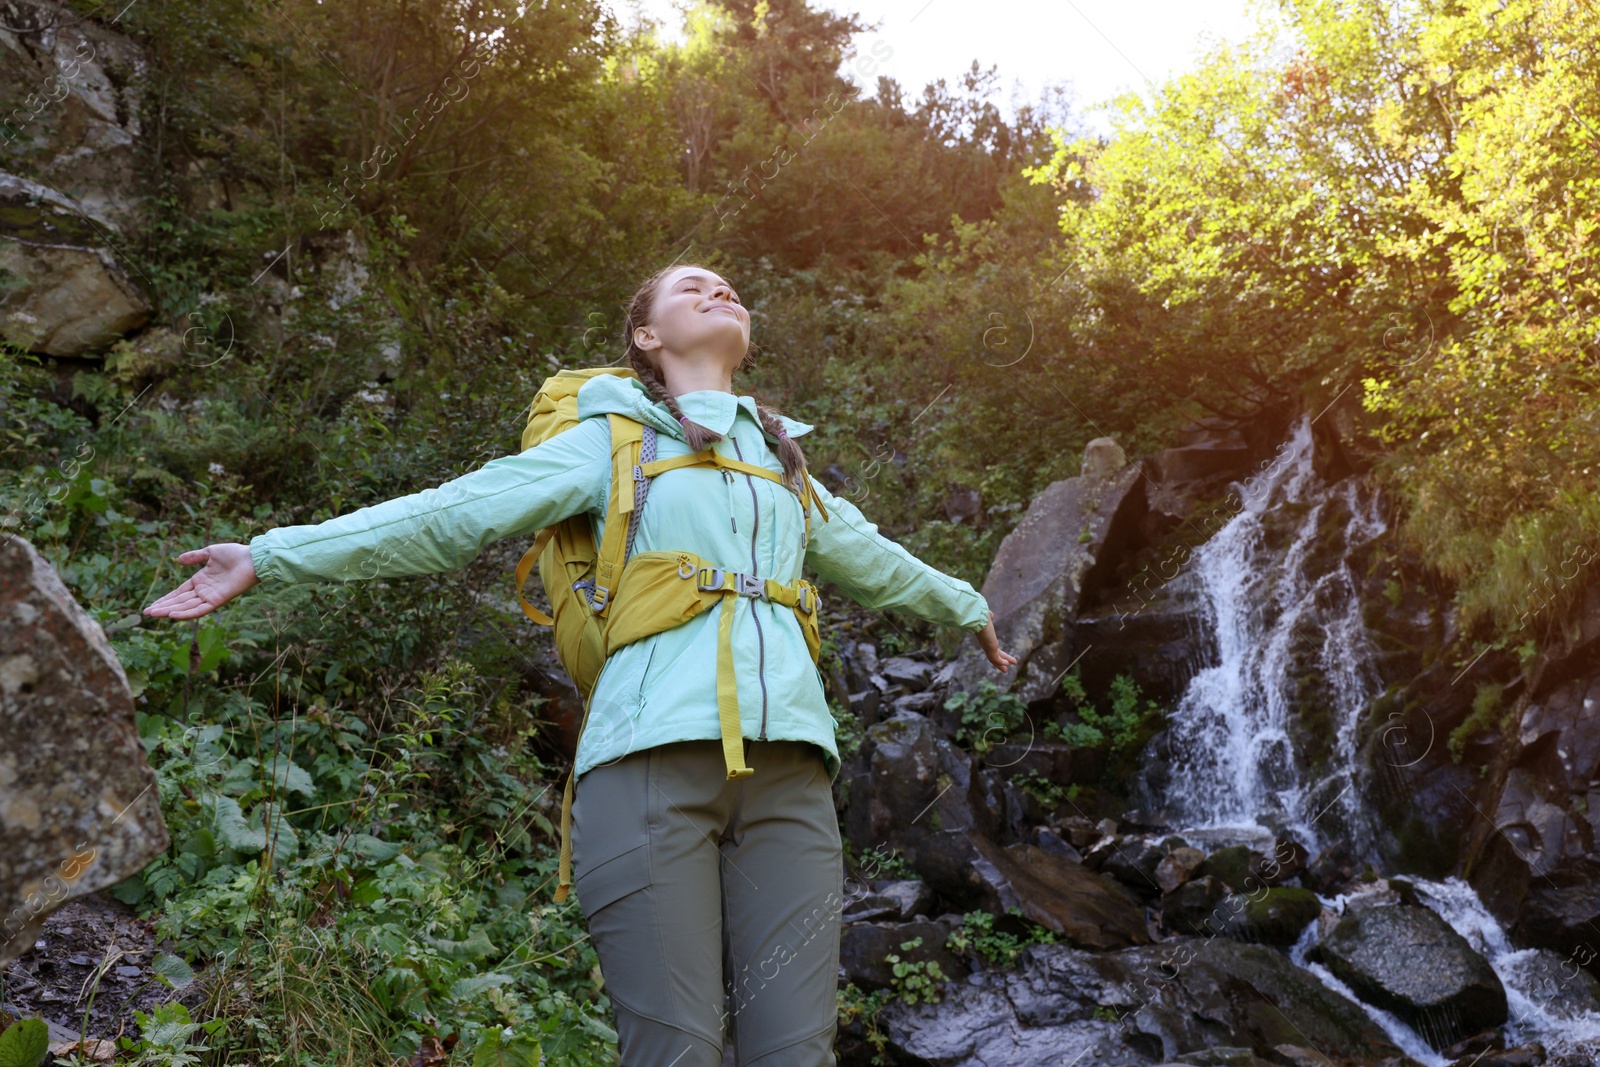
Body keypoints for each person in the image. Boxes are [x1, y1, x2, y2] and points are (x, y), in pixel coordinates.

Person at [144, 263, 1018, 1066]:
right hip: (646, 769)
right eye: (692, 288)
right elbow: (455, 513)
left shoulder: (782, 460)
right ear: (646, 336)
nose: (720, 290)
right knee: (676, 1052)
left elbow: (874, 556)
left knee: (796, 1055)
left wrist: (970, 607)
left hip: (790, 779)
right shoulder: (609, 440)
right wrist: (272, 553)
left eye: (728, 286)